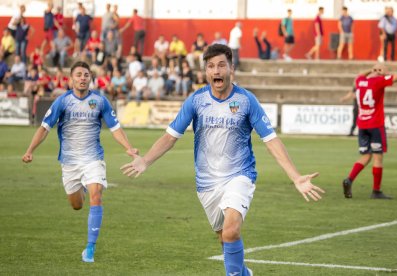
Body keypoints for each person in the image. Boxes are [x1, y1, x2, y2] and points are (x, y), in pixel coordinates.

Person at [121, 44, 324, 276]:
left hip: (240, 176)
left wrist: (296, 177)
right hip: (207, 184)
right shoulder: (196, 101)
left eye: (221, 65)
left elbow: (271, 140)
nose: (216, 71)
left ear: (231, 69)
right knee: (225, 239)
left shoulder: (247, 101)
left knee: (230, 232)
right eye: (210, 66)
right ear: (205, 72)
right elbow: (171, 136)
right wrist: (145, 160)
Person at [22, 61, 138, 263]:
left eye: (86, 74)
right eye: (79, 74)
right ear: (71, 79)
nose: (83, 78)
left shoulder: (100, 101)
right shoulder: (63, 101)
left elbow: (115, 128)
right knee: (76, 205)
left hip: (93, 159)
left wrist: (127, 147)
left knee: (96, 193)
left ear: (90, 78)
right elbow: (44, 128)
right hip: (70, 163)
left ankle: (90, 248)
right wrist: (30, 150)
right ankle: (81, 189)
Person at [342, 63, 397, 199]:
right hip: (375, 124)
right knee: (377, 157)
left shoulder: (360, 81)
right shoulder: (379, 81)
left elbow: (359, 74)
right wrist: (385, 73)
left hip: (362, 124)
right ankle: (376, 191)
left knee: (365, 156)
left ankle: (349, 179)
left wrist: (372, 69)